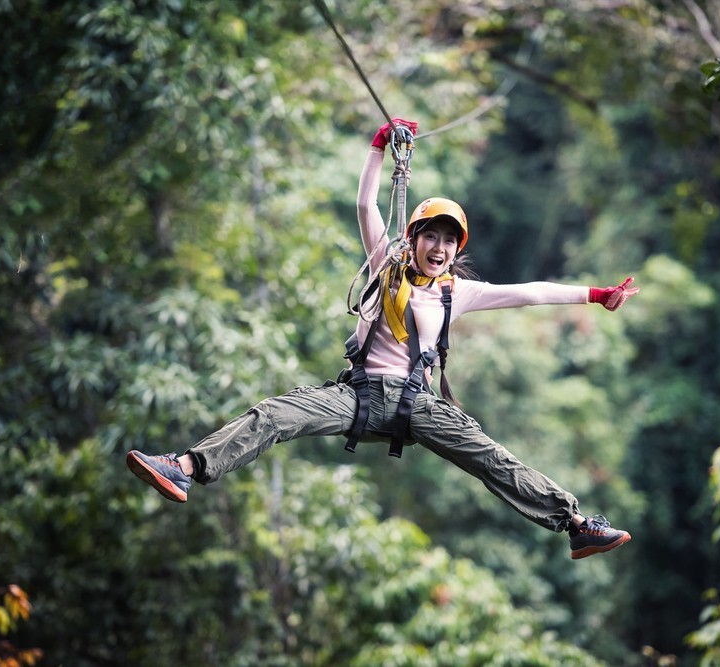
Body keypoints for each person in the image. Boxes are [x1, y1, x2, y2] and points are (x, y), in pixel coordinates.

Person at [127, 119, 640, 559]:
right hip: (359, 394)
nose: (438, 248)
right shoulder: (383, 267)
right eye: (429, 237)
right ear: (413, 239)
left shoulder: (455, 293)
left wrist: (596, 294)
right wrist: (378, 148)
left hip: (419, 404)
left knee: (492, 459)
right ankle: (185, 466)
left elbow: (529, 293)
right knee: (276, 414)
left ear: (455, 248)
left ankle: (576, 526)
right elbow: (366, 204)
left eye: (447, 240)